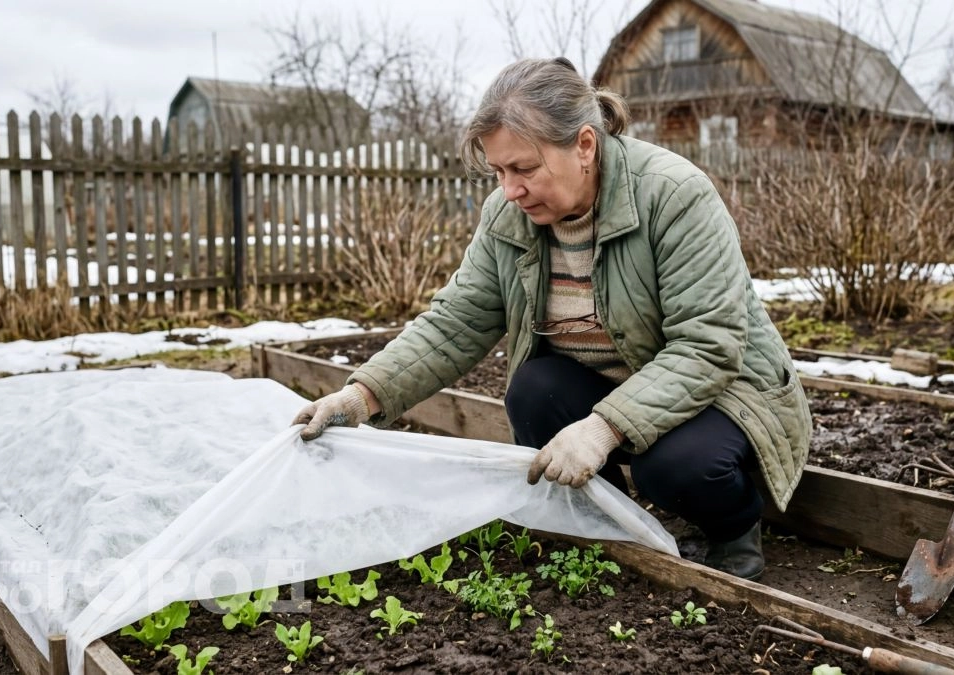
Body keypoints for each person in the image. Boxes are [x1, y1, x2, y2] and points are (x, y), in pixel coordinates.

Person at [293, 57, 811, 581]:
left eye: (524, 168)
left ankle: (733, 530)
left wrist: (603, 428)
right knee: (533, 389)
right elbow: (455, 322)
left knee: (672, 467)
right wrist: (360, 396)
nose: (510, 189)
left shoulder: (674, 196)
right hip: (616, 384)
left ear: (584, 145)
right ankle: (604, 525)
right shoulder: (506, 216)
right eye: (499, 171)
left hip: (726, 391)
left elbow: (707, 346)